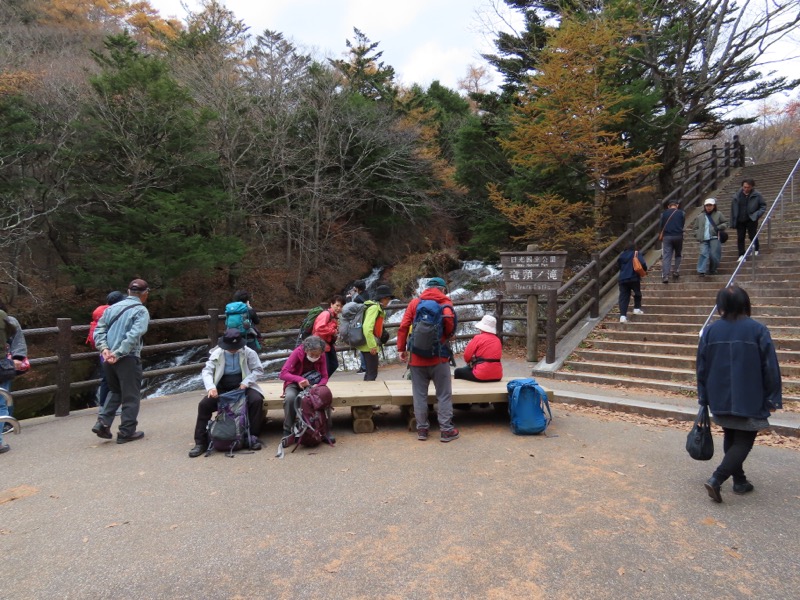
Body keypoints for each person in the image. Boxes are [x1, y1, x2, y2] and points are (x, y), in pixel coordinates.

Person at [696, 285, 782, 503]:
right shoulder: (758, 329)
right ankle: (717, 478)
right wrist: (772, 397)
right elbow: (770, 367)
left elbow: (701, 367)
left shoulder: (711, 331)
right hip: (750, 396)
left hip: (719, 395)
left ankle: (740, 481)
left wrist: (704, 397)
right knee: (743, 441)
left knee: (731, 435)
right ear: (745, 303)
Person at [397, 276, 459, 442]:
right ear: (443, 289)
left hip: (416, 358)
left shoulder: (415, 303)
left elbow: (403, 327)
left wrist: (401, 349)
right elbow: (450, 325)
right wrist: (446, 337)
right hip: (440, 357)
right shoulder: (446, 303)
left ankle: (422, 430)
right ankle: (446, 430)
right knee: (444, 395)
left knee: (419, 395)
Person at [188, 328, 266, 458]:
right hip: (222, 387)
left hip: (243, 386)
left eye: (235, 347)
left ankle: (251, 437)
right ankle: (200, 442)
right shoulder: (217, 353)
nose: (233, 349)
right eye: (230, 347)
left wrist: (246, 382)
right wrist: (211, 387)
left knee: (256, 400)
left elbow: (258, 370)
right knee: (204, 405)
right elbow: (207, 371)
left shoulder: (249, 352)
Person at [91, 279, 151, 444]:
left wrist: (104, 349)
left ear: (128, 291)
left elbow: (99, 329)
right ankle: (127, 431)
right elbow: (134, 334)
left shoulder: (111, 309)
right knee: (131, 395)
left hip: (107, 357)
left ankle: (103, 423)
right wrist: (119, 353)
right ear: (145, 294)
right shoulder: (141, 311)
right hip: (127, 358)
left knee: (115, 390)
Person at [279, 335, 332, 443]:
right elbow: (283, 373)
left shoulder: (321, 356)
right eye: (312, 354)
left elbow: (325, 376)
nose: (314, 357)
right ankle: (287, 430)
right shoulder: (297, 353)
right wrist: (299, 379)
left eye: (317, 355)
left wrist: (319, 385)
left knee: (324, 396)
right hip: (294, 383)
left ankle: (325, 429)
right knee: (290, 398)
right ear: (306, 350)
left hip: (314, 384)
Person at [87, 291, 126, 408]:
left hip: (103, 350)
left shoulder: (102, 313)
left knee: (106, 378)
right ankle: (112, 406)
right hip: (113, 350)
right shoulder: (113, 314)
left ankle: (104, 405)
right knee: (116, 379)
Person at [354, 285, 393, 381]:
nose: (389, 301)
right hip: (369, 346)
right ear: (383, 298)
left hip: (366, 344)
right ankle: (367, 394)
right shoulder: (374, 308)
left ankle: (366, 393)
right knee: (372, 373)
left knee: (369, 372)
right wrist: (372, 345)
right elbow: (367, 328)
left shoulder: (373, 306)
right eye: (388, 299)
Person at [454, 314, 503, 382]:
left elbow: (467, 356)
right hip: (497, 375)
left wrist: (470, 362)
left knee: (458, 372)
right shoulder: (497, 340)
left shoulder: (478, 338)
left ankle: (462, 391)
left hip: (481, 375)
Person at [731, 178, 766, 262]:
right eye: (744, 187)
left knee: (752, 235)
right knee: (740, 237)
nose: (746, 189)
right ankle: (741, 254)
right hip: (740, 219)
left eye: (748, 187)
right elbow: (733, 208)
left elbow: (763, 206)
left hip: (751, 218)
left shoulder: (757, 195)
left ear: (752, 187)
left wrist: (756, 215)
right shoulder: (737, 195)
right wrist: (733, 219)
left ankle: (756, 248)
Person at [693, 198, 728, 277]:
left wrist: (718, 227)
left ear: (714, 206)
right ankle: (701, 270)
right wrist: (697, 234)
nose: (708, 207)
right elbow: (695, 228)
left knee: (714, 254)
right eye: (707, 205)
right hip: (703, 238)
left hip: (714, 237)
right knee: (703, 253)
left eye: (710, 205)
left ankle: (713, 269)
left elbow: (725, 222)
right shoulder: (700, 216)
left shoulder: (718, 214)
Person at [312, 295, 344, 377]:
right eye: (337, 305)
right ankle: (318, 384)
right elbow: (319, 328)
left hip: (328, 344)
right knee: (326, 367)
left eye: (341, 306)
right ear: (331, 304)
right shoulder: (326, 314)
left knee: (333, 364)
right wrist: (333, 331)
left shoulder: (334, 316)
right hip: (320, 344)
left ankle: (320, 382)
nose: (339, 308)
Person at [617, 244, 647, 323]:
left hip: (622, 278)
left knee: (624, 297)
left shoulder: (621, 255)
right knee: (637, 293)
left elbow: (619, 266)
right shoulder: (636, 253)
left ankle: (622, 316)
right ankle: (636, 308)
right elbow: (643, 264)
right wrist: (643, 270)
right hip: (633, 277)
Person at [659, 199, 685, 284]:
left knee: (667, 256)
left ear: (668, 206)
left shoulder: (663, 214)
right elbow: (682, 223)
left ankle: (665, 276)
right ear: (677, 205)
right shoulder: (681, 213)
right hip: (678, 236)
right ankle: (676, 271)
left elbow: (661, 225)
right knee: (678, 254)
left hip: (667, 236)